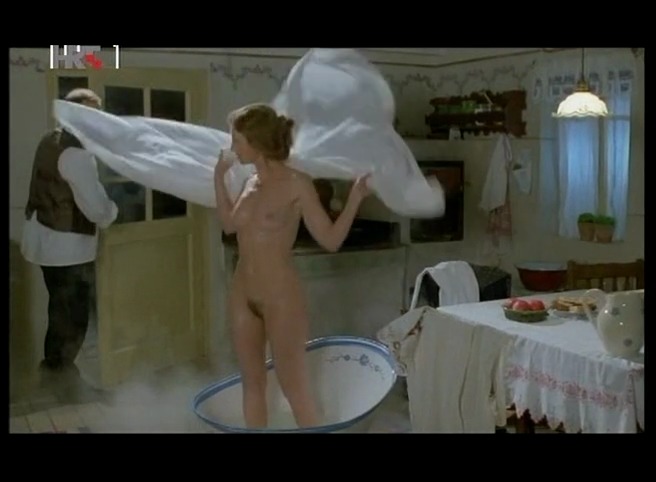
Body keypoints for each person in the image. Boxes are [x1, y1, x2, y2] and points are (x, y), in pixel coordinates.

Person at [214, 103, 371, 428]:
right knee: (252, 383)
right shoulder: (250, 183)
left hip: (280, 297)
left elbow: (330, 240)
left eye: (237, 141)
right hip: (243, 293)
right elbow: (229, 225)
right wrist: (219, 177)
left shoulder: (298, 183)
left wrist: (355, 199)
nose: (232, 148)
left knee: (294, 388)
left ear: (257, 143)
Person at [21, 88, 118, 401]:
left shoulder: (50, 139)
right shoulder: (76, 154)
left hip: (43, 240)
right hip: (67, 249)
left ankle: (56, 377)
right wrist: (112, 212)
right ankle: (62, 384)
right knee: (73, 320)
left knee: (60, 314)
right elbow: (96, 208)